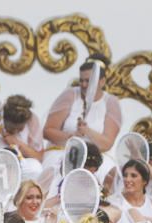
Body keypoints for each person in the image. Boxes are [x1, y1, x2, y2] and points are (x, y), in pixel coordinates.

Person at [41, 54, 122, 186]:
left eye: (88, 81)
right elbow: (48, 131)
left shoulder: (111, 103)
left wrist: (87, 131)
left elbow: (107, 143)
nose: (84, 85)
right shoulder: (70, 95)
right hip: (63, 151)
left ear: (101, 81)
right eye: (81, 80)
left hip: (98, 157)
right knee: (55, 173)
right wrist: (72, 136)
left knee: (108, 175)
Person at [0, 94, 44, 181]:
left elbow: (39, 156)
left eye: (20, 129)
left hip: (21, 164)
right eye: (12, 128)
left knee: (36, 168)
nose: (16, 131)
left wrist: (16, 142)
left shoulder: (32, 120)